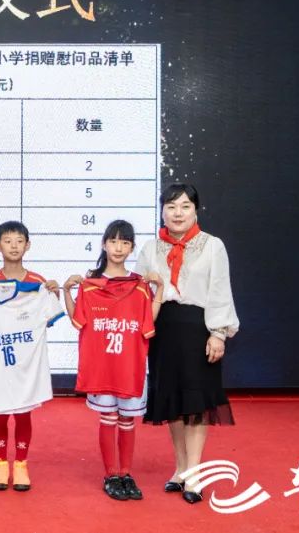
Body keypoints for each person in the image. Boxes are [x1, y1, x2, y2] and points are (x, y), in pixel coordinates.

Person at [136, 183, 240, 505]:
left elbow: (220, 290)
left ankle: (194, 473)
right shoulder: (151, 248)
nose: (177, 213)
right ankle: (180, 468)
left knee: (195, 402)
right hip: (162, 330)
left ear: (196, 210)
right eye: (171, 207)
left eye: (184, 206)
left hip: (198, 329)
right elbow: (138, 292)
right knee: (172, 402)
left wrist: (218, 333)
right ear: (162, 212)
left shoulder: (212, 246)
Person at [63, 220, 163, 501]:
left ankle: (126, 473)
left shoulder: (140, 286)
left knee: (128, 420)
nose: (119, 248)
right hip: (103, 368)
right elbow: (78, 321)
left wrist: (160, 289)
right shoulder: (90, 286)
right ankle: (110, 474)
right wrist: (66, 291)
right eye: (114, 241)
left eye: (125, 243)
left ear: (132, 248)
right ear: (104, 244)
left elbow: (148, 323)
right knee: (108, 418)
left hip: (129, 367)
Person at [0, 221, 62, 492]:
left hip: (26, 363)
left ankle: (20, 464)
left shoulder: (38, 283)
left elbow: (48, 319)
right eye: (7, 241)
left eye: (19, 241)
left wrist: (53, 294)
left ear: (28, 245)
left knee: (23, 412)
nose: (14, 246)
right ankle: (0, 464)